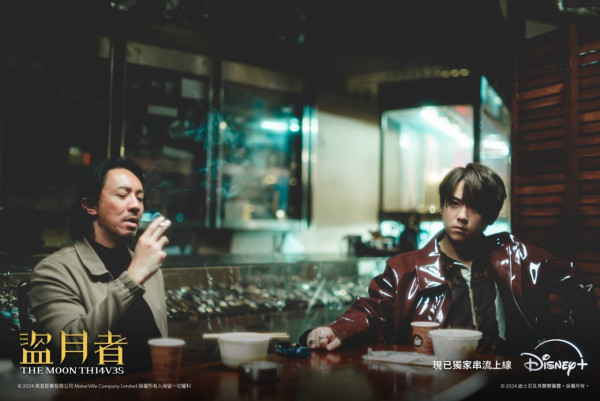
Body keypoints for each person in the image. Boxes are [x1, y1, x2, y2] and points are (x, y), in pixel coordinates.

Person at [302, 162, 600, 361]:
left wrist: (572, 347)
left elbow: (579, 286)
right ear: (443, 206)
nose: (462, 216)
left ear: (491, 216)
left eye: (475, 207)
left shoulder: (515, 256)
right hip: (433, 381)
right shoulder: (405, 268)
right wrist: (336, 330)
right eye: (455, 204)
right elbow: (371, 311)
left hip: (502, 379)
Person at [28, 158, 170, 379]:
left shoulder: (148, 268)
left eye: (140, 198)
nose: (135, 205)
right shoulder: (54, 271)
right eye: (122, 195)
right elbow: (70, 348)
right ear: (90, 205)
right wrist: (133, 278)